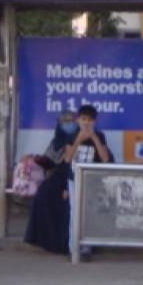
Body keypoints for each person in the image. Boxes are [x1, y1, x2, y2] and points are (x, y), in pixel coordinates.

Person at [23, 104, 113, 258]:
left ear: (94, 121)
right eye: (83, 119)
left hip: (92, 181)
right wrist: (79, 139)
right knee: (73, 214)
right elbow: (67, 159)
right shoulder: (70, 136)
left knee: (87, 214)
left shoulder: (100, 136)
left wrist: (93, 138)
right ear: (79, 120)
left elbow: (105, 159)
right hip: (71, 179)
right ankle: (73, 248)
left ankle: (86, 247)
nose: (86, 123)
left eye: (89, 120)